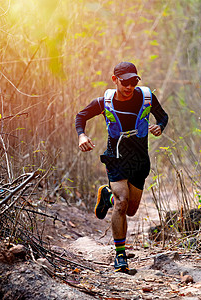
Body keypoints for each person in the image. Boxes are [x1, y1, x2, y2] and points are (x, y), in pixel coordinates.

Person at [75, 62, 168, 273]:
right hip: (115, 157)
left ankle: (106, 196)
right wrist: (82, 135)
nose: (129, 86)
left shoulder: (146, 98)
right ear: (115, 80)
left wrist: (159, 127)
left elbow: (163, 116)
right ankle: (120, 256)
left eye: (134, 81)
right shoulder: (104, 102)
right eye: (125, 82)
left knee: (132, 210)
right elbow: (80, 116)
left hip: (139, 159)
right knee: (121, 203)